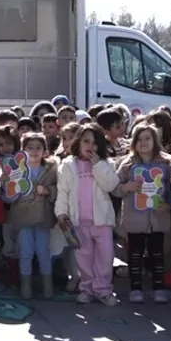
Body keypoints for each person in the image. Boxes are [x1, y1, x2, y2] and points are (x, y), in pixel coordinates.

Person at [55, 123, 120, 305]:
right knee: (83, 258)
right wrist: (61, 213)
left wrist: (97, 165)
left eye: (95, 142)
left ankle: (103, 290)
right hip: (79, 222)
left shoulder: (106, 164)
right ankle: (86, 289)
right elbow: (63, 192)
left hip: (102, 222)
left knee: (105, 257)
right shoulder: (68, 165)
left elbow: (111, 185)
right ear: (78, 142)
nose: (90, 146)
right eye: (86, 141)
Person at [115, 122, 171, 304]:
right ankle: (135, 288)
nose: (143, 142)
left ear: (155, 140)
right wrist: (127, 187)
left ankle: (159, 288)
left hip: (158, 217)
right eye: (139, 139)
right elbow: (115, 188)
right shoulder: (127, 164)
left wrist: (168, 205)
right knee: (135, 254)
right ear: (133, 142)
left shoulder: (167, 163)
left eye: (147, 138)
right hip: (135, 218)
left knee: (157, 254)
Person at [9, 132, 58, 299]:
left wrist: (48, 191)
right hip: (23, 215)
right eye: (30, 148)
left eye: (38, 147)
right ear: (23, 150)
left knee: (44, 252)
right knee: (26, 252)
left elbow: (58, 189)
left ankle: (47, 285)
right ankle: (26, 285)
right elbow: (7, 192)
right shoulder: (16, 169)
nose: (34, 151)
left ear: (45, 150)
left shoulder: (51, 168)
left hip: (43, 215)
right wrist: (11, 190)